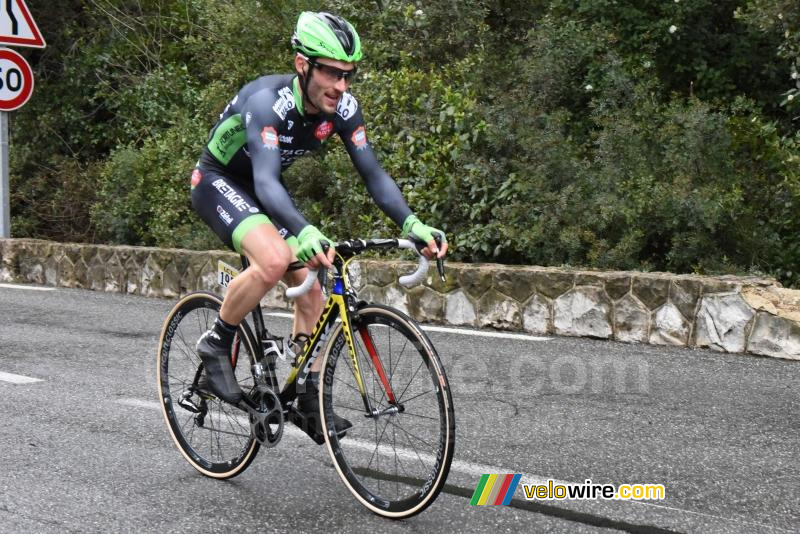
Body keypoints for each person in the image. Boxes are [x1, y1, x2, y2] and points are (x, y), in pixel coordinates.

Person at [190, 11, 448, 442]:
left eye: (348, 75)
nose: (340, 85)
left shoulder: (343, 108)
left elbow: (373, 174)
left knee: (313, 289)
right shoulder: (268, 102)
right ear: (302, 65)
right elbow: (266, 181)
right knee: (274, 260)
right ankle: (216, 342)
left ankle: (306, 394)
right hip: (219, 182)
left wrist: (413, 222)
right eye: (330, 72)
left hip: (263, 191)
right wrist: (305, 230)